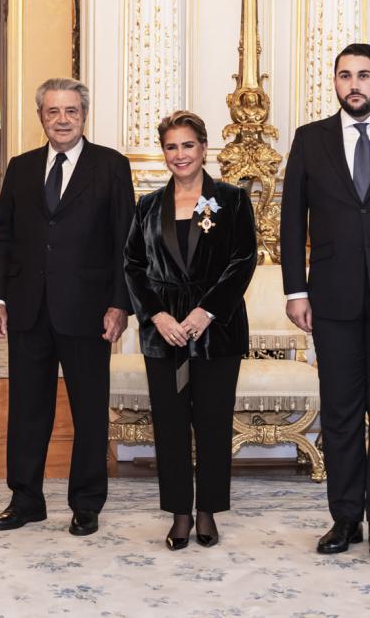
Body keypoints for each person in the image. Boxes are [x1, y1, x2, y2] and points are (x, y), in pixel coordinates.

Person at [281, 43, 370, 560]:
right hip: (332, 299)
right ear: (335, 83)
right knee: (341, 413)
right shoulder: (310, 139)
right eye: (345, 76)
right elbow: (291, 218)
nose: (354, 85)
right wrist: (295, 291)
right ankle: (345, 518)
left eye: (363, 75)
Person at [0, 78, 135, 536]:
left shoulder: (110, 166)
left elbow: (124, 243)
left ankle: (86, 501)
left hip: (89, 311)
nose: (63, 119)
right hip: (29, 308)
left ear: (84, 115)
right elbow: (4, 235)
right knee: (28, 410)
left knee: (89, 410)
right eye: (53, 112)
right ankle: (26, 498)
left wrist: (119, 305)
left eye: (71, 111)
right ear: (41, 118)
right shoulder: (21, 167)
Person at [124, 110, 257, 550]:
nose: (179, 155)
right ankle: (180, 512)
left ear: (203, 148)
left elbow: (242, 262)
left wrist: (206, 313)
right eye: (171, 146)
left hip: (215, 330)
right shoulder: (147, 206)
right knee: (170, 423)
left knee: (214, 423)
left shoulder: (232, 200)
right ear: (163, 152)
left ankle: (207, 511)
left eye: (188, 145)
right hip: (164, 333)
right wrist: (156, 316)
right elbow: (134, 267)